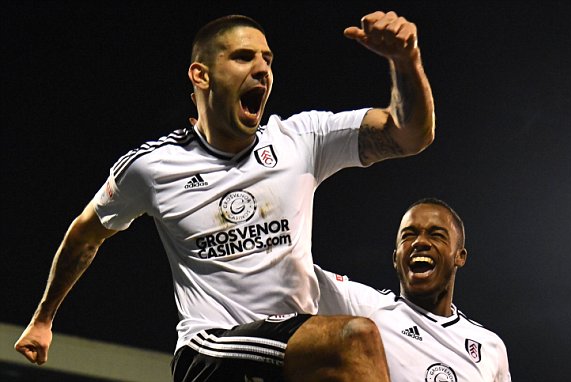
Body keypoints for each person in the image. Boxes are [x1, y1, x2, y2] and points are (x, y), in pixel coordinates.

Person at [15, 10, 436, 382]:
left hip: (292, 354)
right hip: (210, 351)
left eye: (268, 60)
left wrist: (406, 61)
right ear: (201, 75)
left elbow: (410, 136)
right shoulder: (152, 167)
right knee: (355, 338)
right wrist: (43, 319)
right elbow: (86, 235)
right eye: (243, 57)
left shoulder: (301, 140)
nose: (262, 69)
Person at [316, 198, 512, 381]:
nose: (420, 242)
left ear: (459, 256)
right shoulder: (368, 310)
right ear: (395, 258)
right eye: (408, 236)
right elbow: (295, 270)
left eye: (436, 235)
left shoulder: (489, 347)